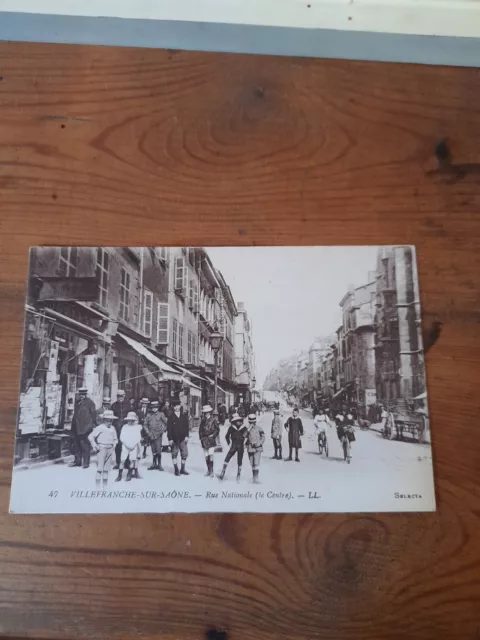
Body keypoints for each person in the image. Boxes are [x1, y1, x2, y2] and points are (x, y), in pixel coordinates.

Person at [88, 409, 118, 487]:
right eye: (107, 420)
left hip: (110, 449)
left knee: (106, 470)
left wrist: (114, 444)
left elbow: (115, 438)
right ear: (104, 420)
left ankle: (105, 487)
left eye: (111, 420)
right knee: (100, 469)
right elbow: (90, 436)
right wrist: (94, 445)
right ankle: (97, 488)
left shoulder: (113, 428)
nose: (109, 422)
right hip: (102, 449)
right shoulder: (100, 427)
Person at [70, 387, 97, 469]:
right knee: (77, 445)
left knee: (85, 446)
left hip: (85, 428)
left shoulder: (90, 403)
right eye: (80, 394)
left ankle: (86, 463)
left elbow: (93, 416)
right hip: (76, 427)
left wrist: (90, 426)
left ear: (86, 394)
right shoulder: (78, 402)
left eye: (83, 394)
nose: (81, 395)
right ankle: (77, 462)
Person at [219, 413, 248, 482]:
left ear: (241, 421)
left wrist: (246, 444)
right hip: (234, 445)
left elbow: (248, 437)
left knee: (239, 460)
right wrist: (229, 443)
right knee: (227, 458)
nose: (238, 422)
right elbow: (227, 436)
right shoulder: (232, 428)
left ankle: (238, 474)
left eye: (239, 421)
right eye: (236, 421)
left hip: (241, 446)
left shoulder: (244, 428)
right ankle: (223, 471)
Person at [116, 411, 142, 482]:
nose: (131, 421)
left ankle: (129, 474)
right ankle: (119, 475)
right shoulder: (125, 427)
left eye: (133, 420)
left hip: (133, 447)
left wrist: (137, 448)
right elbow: (122, 438)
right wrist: (127, 445)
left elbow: (138, 439)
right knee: (122, 460)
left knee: (132, 461)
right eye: (130, 420)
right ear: (127, 420)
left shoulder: (136, 428)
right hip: (125, 446)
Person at [167, 399, 190, 476]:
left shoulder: (184, 416)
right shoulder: (170, 417)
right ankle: (176, 469)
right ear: (173, 407)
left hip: (183, 438)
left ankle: (182, 469)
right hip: (174, 439)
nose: (176, 407)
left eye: (177, 406)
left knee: (184, 453)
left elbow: (187, 427)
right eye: (174, 406)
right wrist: (170, 439)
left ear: (180, 406)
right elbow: (169, 429)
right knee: (174, 453)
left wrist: (187, 436)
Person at [144, 400, 168, 470]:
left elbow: (166, 423)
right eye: (153, 408)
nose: (154, 409)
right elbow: (145, 424)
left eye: (156, 407)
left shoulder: (161, 414)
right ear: (151, 408)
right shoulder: (148, 415)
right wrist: (148, 432)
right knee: (153, 450)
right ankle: (154, 464)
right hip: (151, 435)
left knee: (158, 450)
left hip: (158, 435)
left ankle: (159, 464)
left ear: (158, 408)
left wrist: (163, 430)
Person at [199, 405, 220, 477]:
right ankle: (208, 470)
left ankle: (211, 471)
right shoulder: (203, 421)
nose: (206, 414)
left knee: (211, 454)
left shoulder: (213, 420)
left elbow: (217, 429)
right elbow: (200, 430)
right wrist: (201, 438)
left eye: (207, 412)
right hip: (204, 439)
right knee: (206, 455)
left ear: (210, 412)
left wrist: (213, 435)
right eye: (205, 413)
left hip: (211, 439)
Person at [111, 390, 129, 469]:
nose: (120, 397)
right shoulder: (113, 405)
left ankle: (127, 463)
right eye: (118, 396)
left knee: (126, 446)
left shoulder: (129, 405)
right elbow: (111, 418)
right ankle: (118, 463)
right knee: (118, 446)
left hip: (126, 428)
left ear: (124, 396)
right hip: (117, 429)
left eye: (121, 396)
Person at [245, 413, 265, 484]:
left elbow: (263, 436)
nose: (252, 424)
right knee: (252, 463)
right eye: (250, 422)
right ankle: (254, 477)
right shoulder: (247, 429)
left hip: (258, 448)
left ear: (255, 422)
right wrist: (248, 429)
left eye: (253, 422)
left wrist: (260, 443)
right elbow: (244, 436)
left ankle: (256, 478)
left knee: (256, 463)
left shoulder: (259, 428)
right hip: (250, 448)